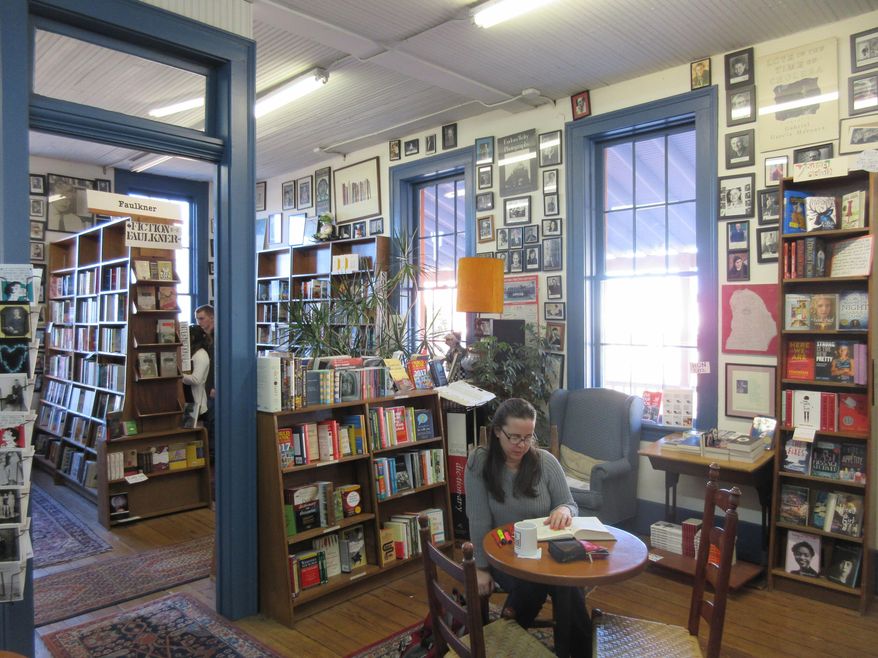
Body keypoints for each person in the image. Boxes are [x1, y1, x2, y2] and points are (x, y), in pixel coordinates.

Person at [464, 398, 590, 655]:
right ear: (498, 431)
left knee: (569, 586)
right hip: (504, 553)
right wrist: (480, 568)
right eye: (514, 437)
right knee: (531, 586)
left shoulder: (545, 463)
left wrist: (563, 510)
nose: (522, 445)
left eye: (528, 437)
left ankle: (575, 653)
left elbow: (569, 504)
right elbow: (478, 519)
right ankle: (504, 646)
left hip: (547, 552)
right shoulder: (480, 463)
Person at [182, 325, 211, 430]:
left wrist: (180, 376)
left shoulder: (201, 355)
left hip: (196, 404)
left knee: (195, 437)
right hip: (189, 402)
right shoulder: (193, 353)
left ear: (193, 338)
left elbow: (196, 379)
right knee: (188, 434)